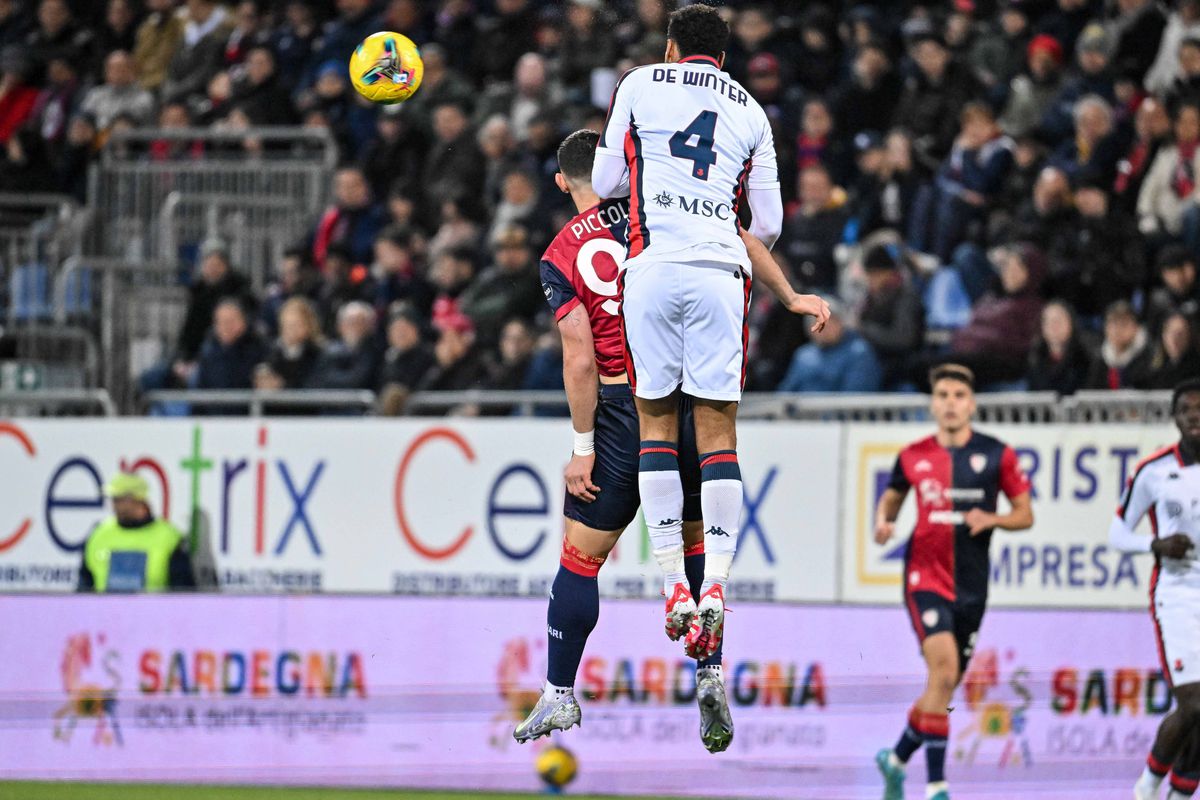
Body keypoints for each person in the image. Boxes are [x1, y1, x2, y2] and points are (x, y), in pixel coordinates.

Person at [515, 129, 827, 751]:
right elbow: (741, 239)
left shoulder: (559, 253)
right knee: (695, 554)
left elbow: (578, 357)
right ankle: (709, 674)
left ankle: (559, 693)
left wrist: (582, 447)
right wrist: (788, 296)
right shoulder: (659, 207)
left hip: (621, 407)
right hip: (688, 396)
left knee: (581, 560)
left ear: (560, 183)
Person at [592, 4, 784, 662]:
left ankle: (675, 583)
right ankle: (718, 590)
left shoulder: (641, 83)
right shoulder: (751, 111)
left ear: (672, 48)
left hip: (650, 267)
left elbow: (604, 181)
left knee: (655, 424)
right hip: (717, 271)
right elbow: (769, 223)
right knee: (717, 433)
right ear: (723, 58)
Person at [874, 364, 1034, 800]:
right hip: (924, 577)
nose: (949, 402)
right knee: (943, 671)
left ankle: (896, 758)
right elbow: (892, 496)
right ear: (933, 402)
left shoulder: (997, 454)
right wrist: (883, 522)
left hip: (972, 585)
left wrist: (994, 518)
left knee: (942, 684)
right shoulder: (912, 455)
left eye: (958, 395)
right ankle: (937, 785)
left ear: (972, 404)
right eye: (942, 394)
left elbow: (1025, 514)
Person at [1112, 379, 1200, 800]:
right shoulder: (1154, 471)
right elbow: (1116, 532)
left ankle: (1180, 795)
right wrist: (1156, 544)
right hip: (1179, 595)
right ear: (1175, 417)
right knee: (1195, 704)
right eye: (1187, 409)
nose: (1196, 415)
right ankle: (1147, 787)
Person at [78, 473, 195, 593]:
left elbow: (182, 590)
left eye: (119, 499)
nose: (114, 505)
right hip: (103, 610)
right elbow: (84, 584)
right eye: (113, 499)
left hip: (153, 610)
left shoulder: (169, 536)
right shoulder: (98, 533)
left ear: (138, 499)